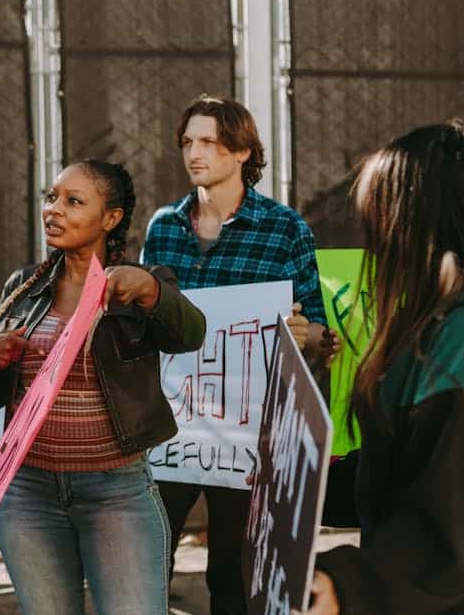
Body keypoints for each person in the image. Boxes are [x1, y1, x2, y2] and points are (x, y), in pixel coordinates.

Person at [303, 120, 464, 615]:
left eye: (378, 218)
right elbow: (407, 467)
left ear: (416, 220)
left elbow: (447, 516)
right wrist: (303, 480)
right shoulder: (437, 323)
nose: (374, 240)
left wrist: (346, 584)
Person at [0, 160, 207, 614]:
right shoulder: (24, 287)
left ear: (110, 218)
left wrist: (152, 290)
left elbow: (190, 334)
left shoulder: (137, 284)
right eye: (51, 197)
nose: (54, 210)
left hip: (116, 493)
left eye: (73, 201)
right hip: (27, 494)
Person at [139, 94, 336, 614]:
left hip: (246, 431)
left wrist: (302, 332)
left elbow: (320, 331)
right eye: (187, 141)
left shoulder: (285, 228)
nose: (194, 153)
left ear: (243, 151)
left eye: (208, 141)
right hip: (172, 425)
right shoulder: (163, 226)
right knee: (143, 556)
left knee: (233, 571)